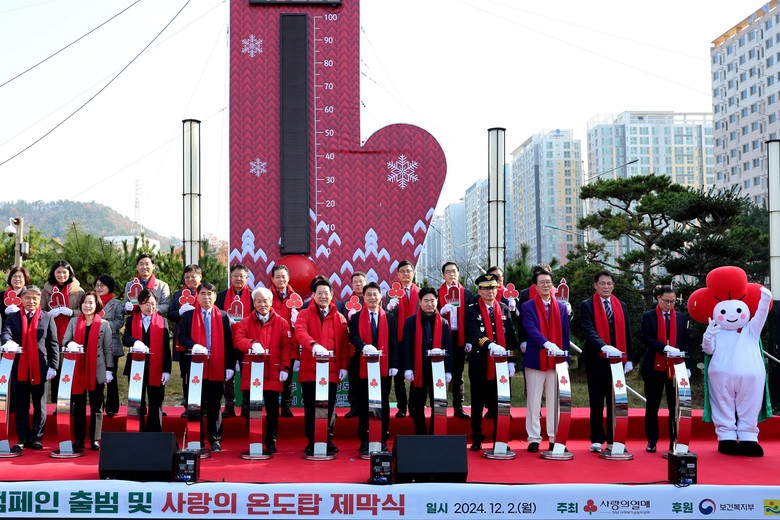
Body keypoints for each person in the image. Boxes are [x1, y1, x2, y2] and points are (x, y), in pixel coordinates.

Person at [232, 287, 294, 454]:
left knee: (272, 410)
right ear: (253, 303)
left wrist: (285, 368)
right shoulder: (245, 322)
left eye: (265, 301)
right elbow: (238, 340)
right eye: (258, 301)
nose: (262, 304)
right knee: (252, 409)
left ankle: (271, 442)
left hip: (273, 372)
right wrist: (252, 344)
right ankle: (255, 440)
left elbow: (286, 348)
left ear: (271, 302)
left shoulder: (281, 322)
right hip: (252, 372)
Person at [579, 270, 633, 452]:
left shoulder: (621, 305)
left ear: (613, 286)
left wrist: (629, 358)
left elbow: (627, 333)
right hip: (596, 359)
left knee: (614, 401)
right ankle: (596, 438)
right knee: (596, 400)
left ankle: (612, 439)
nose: (606, 287)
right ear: (595, 285)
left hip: (617, 361)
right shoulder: (587, 305)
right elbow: (589, 330)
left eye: (609, 283)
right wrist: (604, 347)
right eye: (602, 283)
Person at [294, 276, 349, 456]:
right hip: (310, 369)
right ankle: (312, 441)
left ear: (332, 295)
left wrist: (343, 366)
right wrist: (313, 345)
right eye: (319, 293)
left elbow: (344, 344)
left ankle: (327, 439)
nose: (323, 296)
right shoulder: (304, 314)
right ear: (313, 295)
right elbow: (300, 332)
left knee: (329, 407)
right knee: (311, 407)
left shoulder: (340, 317)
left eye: (326, 293)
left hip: (331, 370)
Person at [177, 282, 235, 453]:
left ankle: (215, 439)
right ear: (197, 296)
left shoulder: (223, 316)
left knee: (215, 404)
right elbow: (181, 337)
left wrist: (229, 366)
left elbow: (229, 343)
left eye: (210, 294)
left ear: (215, 296)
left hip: (216, 366)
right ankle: (197, 439)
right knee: (196, 404)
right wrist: (193, 345)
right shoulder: (188, 316)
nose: (206, 297)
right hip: (196, 367)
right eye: (203, 293)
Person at [0, 285, 59, 452]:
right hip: (19, 366)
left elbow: (53, 343)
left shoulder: (47, 317)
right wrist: (8, 342)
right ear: (22, 299)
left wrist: (53, 366)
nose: (31, 301)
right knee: (21, 404)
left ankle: (37, 438)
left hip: (41, 366)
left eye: (34, 298)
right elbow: (5, 333)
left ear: (39, 299)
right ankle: (22, 438)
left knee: (40, 405)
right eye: (27, 297)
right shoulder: (13, 317)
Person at [465, 273, 518, 451]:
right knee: (477, 403)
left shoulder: (504, 309)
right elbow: (474, 333)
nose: (490, 291)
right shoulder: (472, 310)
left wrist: (512, 361)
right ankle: (477, 438)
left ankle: (500, 438)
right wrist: (489, 344)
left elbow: (510, 337)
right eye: (486, 288)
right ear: (479, 291)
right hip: (480, 363)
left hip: (500, 364)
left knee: (499, 402)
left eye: (493, 287)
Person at [521, 269, 570, 452]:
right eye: (541, 282)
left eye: (548, 282)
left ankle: (554, 437)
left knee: (554, 400)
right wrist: (547, 344)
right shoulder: (527, 306)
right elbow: (531, 329)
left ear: (553, 285)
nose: (545, 285)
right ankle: (534, 438)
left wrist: (565, 357)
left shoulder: (562, 308)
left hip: (556, 360)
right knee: (534, 400)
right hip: (536, 358)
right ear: (535, 286)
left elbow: (565, 334)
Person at [640, 285, 692, 453]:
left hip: (676, 368)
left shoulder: (681, 318)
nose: (669, 305)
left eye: (673, 302)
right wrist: (664, 348)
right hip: (654, 366)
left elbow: (686, 342)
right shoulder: (649, 316)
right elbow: (646, 338)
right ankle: (652, 441)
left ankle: (674, 441)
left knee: (674, 406)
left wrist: (688, 366)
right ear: (658, 298)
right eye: (666, 301)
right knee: (652, 405)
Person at [348, 281, 398, 455]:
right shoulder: (356, 318)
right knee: (364, 403)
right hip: (363, 367)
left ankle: (382, 439)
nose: (371, 297)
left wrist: (393, 365)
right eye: (368, 294)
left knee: (382, 403)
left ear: (380, 296)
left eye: (374, 294)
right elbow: (353, 337)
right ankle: (365, 440)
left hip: (383, 368)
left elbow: (393, 343)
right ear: (363, 297)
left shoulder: (389, 318)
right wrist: (364, 346)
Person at [62, 291, 113, 452]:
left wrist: (109, 369)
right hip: (78, 368)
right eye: (84, 302)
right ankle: (79, 438)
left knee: (96, 405)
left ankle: (95, 438)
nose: (87, 305)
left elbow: (108, 349)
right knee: (79, 405)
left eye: (90, 302)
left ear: (96, 305)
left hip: (97, 368)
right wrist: (70, 344)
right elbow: (65, 340)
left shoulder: (104, 324)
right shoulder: (74, 321)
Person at [401, 286, 452, 435]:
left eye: (432, 300)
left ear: (437, 301)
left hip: (438, 368)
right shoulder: (410, 322)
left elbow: (448, 348)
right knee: (417, 404)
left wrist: (448, 371)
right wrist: (408, 368)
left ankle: (436, 433)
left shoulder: (443, 322)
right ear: (420, 302)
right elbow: (406, 347)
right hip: (419, 368)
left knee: (438, 403)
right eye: (426, 301)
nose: (430, 304)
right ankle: (421, 435)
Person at [122, 289, 172, 432]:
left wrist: (166, 370)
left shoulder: (162, 321)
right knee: (136, 400)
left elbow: (166, 347)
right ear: (139, 304)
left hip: (156, 366)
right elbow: (125, 339)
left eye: (153, 303)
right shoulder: (131, 320)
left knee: (156, 400)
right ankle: (136, 431)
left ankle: (154, 432)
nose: (150, 307)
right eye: (146, 304)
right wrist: (135, 342)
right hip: (136, 366)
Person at [42, 260, 84, 405]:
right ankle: (56, 405)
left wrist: (71, 312)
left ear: (70, 273)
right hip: (52, 334)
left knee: (71, 370)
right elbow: (40, 310)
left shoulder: (78, 291)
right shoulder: (46, 290)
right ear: (53, 273)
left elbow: (85, 311)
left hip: (72, 334)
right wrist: (48, 314)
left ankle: (72, 404)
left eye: (64, 272)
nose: (61, 275)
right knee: (55, 369)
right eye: (58, 272)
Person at [215, 264, 252, 418]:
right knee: (227, 375)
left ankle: (246, 405)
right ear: (230, 277)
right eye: (235, 276)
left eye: (241, 276)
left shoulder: (253, 297)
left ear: (247, 278)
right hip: (226, 341)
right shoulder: (221, 296)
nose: (238, 279)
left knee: (247, 374)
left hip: (246, 341)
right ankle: (229, 405)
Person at [438, 262, 472, 419]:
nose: (451, 274)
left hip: (460, 337)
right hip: (442, 337)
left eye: (454, 271)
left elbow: (471, 319)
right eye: (448, 272)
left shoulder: (466, 294)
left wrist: (469, 340)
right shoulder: (437, 293)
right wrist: (441, 311)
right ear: (443, 275)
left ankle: (458, 406)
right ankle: (439, 405)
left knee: (458, 373)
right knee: (440, 372)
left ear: (458, 273)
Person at [168, 264, 202, 417]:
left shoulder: (205, 292)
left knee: (203, 375)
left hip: (202, 339)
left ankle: (203, 405)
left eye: (193, 276)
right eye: (187, 277)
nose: (190, 279)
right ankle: (188, 405)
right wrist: (180, 312)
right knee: (187, 375)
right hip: (183, 340)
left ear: (200, 277)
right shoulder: (177, 295)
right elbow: (170, 314)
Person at [386, 260, 417, 418]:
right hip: (397, 340)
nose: (406, 274)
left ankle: (414, 406)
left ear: (413, 273)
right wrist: (389, 307)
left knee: (416, 374)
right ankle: (402, 407)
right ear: (397, 274)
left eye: (408, 271)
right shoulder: (390, 293)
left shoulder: (420, 292)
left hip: (415, 339)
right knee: (398, 377)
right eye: (402, 271)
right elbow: (385, 317)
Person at [270, 264, 298, 418]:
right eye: (278, 277)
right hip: (271, 342)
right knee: (273, 377)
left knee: (287, 377)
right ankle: (273, 407)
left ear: (288, 278)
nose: (281, 280)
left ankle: (286, 407)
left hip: (289, 343)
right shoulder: (267, 296)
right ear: (272, 279)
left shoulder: (296, 298)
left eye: (283, 277)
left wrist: (297, 320)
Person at [95, 275, 125, 417]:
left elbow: (119, 322)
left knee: (111, 377)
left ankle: (112, 407)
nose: (99, 288)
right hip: (95, 345)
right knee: (97, 378)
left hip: (112, 345)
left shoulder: (117, 303)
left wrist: (103, 325)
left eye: (102, 285)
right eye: (97, 285)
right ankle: (97, 406)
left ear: (109, 287)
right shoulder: (92, 301)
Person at [340, 271, 367, 419]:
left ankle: (366, 406)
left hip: (369, 345)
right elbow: (343, 324)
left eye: (360, 281)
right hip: (353, 346)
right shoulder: (346, 303)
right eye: (355, 282)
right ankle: (354, 407)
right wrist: (349, 318)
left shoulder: (372, 299)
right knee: (354, 378)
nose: (358, 284)